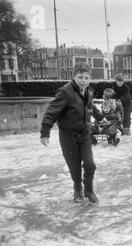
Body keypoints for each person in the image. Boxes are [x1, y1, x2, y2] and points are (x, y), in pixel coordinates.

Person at [40, 63, 102, 205]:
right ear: (74, 76)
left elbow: (91, 106)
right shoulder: (65, 92)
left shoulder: (89, 91)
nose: (84, 81)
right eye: (80, 77)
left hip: (84, 133)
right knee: (74, 167)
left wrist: (100, 117)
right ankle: (77, 187)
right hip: (68, 135)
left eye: (87, 77)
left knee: (90, 165)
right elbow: (52, 111)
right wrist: (45, 130)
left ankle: (89, 190)